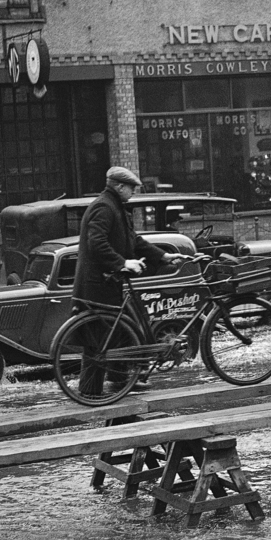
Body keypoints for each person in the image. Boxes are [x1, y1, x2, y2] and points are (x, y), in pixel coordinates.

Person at [73, 166, 188, 394]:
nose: (133, 192)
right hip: (97, 286)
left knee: (119, 334)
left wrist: (163, 256)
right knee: (99, 340)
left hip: (106, 283)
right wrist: (123, 263)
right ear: (119, 186)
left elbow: (134, 241)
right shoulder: (104, 207)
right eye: (132, 188)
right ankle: (92, 391)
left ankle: (118, 381)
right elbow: (97, 243)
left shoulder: (114, 207)